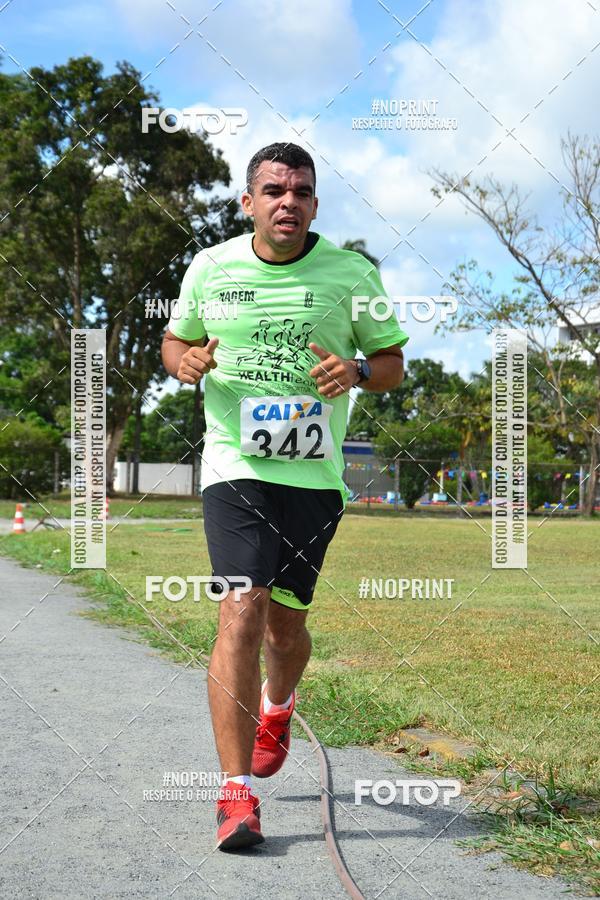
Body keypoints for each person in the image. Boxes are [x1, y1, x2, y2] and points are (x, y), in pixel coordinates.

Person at [161, 142, 409, 850]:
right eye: (273, 190)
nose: (287, 201)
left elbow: (391, 363)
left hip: (313, 480)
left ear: (314, 205)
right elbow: (174, 345)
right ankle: (235, 796)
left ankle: (278, 703)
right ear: (248, 203)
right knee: (241, 606)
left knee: (285, 629)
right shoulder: (212, 268)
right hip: (234, 467)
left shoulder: (351, 273)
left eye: (300, 190)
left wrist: (358, 370)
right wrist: (189, 362)